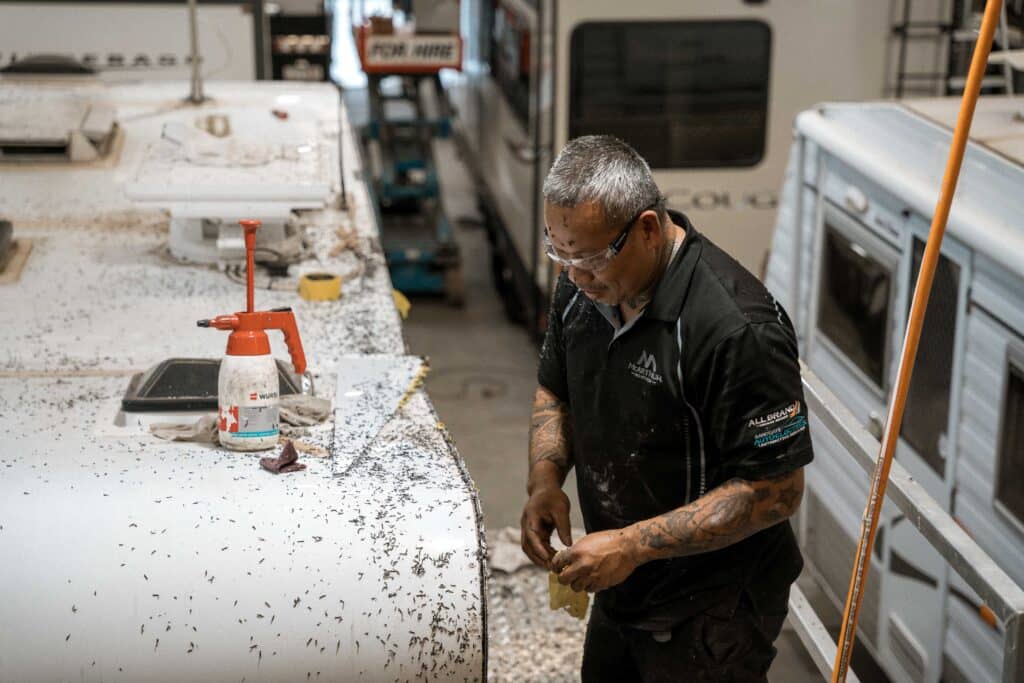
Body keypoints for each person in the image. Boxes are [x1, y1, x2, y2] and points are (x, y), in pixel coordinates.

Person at [521, 135, 812, 682]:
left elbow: (776, 491)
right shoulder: (581, 289)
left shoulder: (735, 330)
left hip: (712, 609)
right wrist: (545, 480)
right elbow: (554, 390)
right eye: (560, 253)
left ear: (648, 229)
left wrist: (631, 544)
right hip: (624, 584)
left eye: (589, 258)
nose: (576, 276)